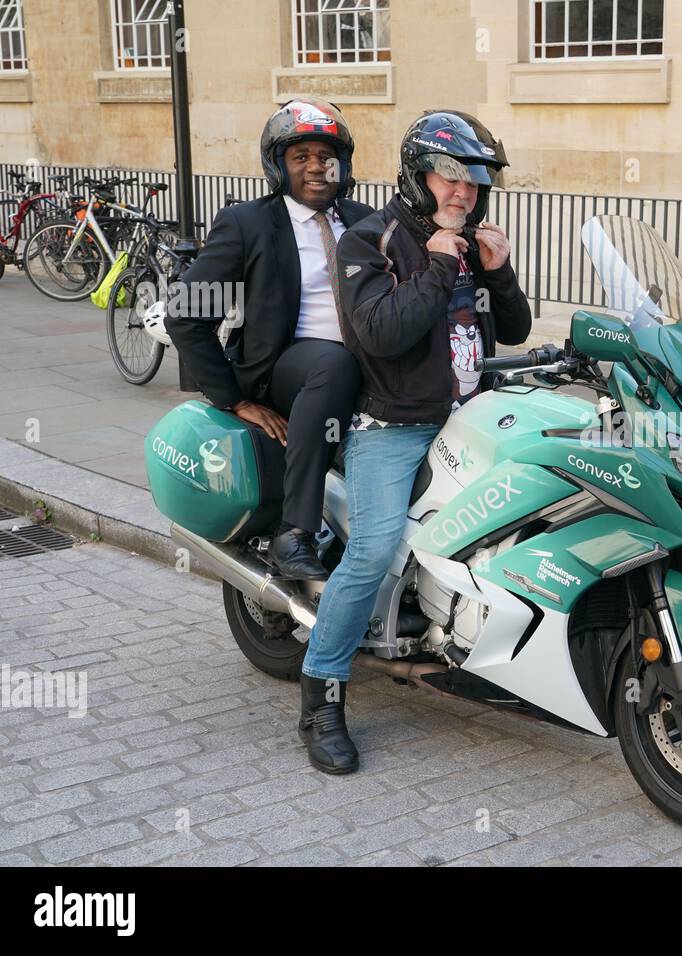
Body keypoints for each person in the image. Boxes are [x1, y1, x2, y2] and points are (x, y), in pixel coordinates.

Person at [297, 110, 532, 774]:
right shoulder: (370, 241)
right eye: (450, 179)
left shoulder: (466, 241)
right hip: (391, 427)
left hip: (474, 420)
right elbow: (380, 333)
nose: (463, 193)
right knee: (371, 551)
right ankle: (322, 697)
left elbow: (512, 328)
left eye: (474, 183)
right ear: (415, 174)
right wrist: (434, 267)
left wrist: (498, 271)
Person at [165, 99, 374, 579]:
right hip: (287, 367)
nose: (317, 168)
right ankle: (293, 532)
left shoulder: (366, 220)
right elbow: (186, 315)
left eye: (326, 156)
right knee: (333, 364)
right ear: (278, 166)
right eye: (301, 157)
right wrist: (234, 399)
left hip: (369, 363)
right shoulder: (249, 223)